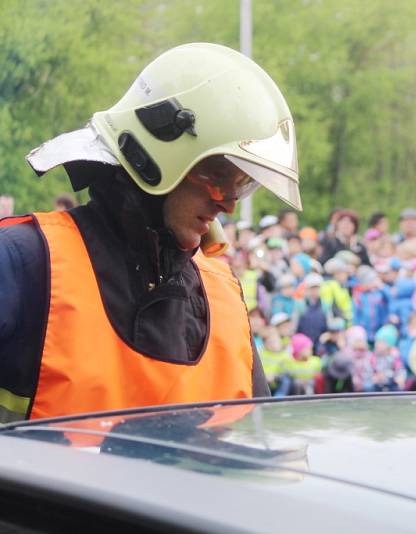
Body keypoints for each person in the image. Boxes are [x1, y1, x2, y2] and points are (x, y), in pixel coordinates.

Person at [0, 43, 302, 421]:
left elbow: (257, 455)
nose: (229, 204)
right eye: (219, 178)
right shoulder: (24, 263)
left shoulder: (226, 296)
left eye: (243, 185)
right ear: (155, 156)